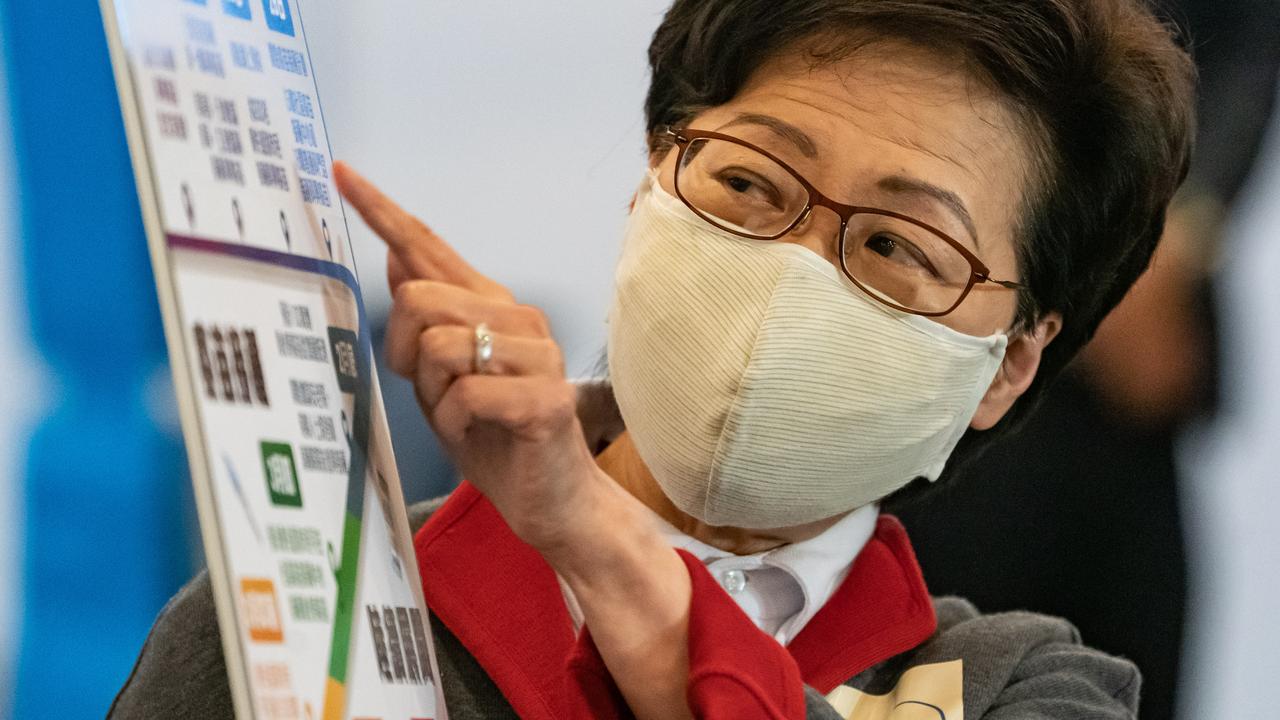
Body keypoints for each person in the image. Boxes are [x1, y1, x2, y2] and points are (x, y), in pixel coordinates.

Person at [109, 0, 1195, 717]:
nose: (793, 273)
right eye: (748, 184)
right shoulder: (305, 626)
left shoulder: (1022, 684)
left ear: (1006, 365)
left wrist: (591, 534)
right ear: (649, 180)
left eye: (895, 247)